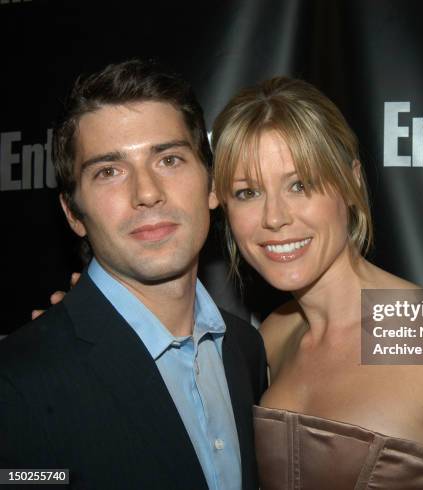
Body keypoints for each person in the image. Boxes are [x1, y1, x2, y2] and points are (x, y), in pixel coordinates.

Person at [209, 77, 423, 489]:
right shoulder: (273, 336)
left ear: (352, 182)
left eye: (300, 185)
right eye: (248, 192)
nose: (275, 217)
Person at [0, 60, 267, 490]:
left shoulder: (246, 349)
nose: (146, 193)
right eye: (109, 171)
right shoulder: (16, 383)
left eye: (170, 159)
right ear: (73, 214)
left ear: (212, 185)